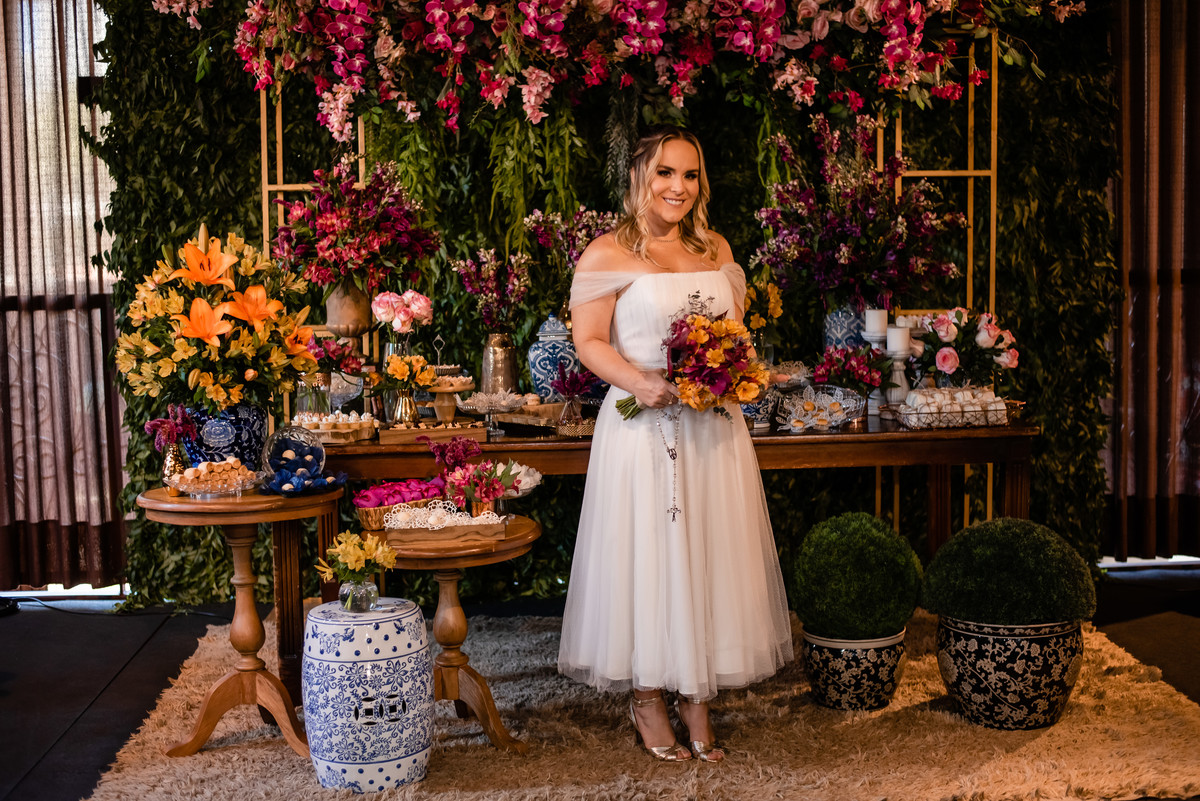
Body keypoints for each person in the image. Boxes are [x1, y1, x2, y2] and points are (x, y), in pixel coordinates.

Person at [557, 126, 793, 763]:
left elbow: (734, 335)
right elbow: (590, 342)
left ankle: (698, 696)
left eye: (689, 176)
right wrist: (643, 381)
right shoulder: (606, 254)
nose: (677, 188)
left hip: (713, 431)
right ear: (638, 178)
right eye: (665, 173)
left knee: (708, 551)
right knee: (651, 556)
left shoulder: (715, 247)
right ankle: (648, 698)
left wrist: (732, 372)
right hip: (644, 427)